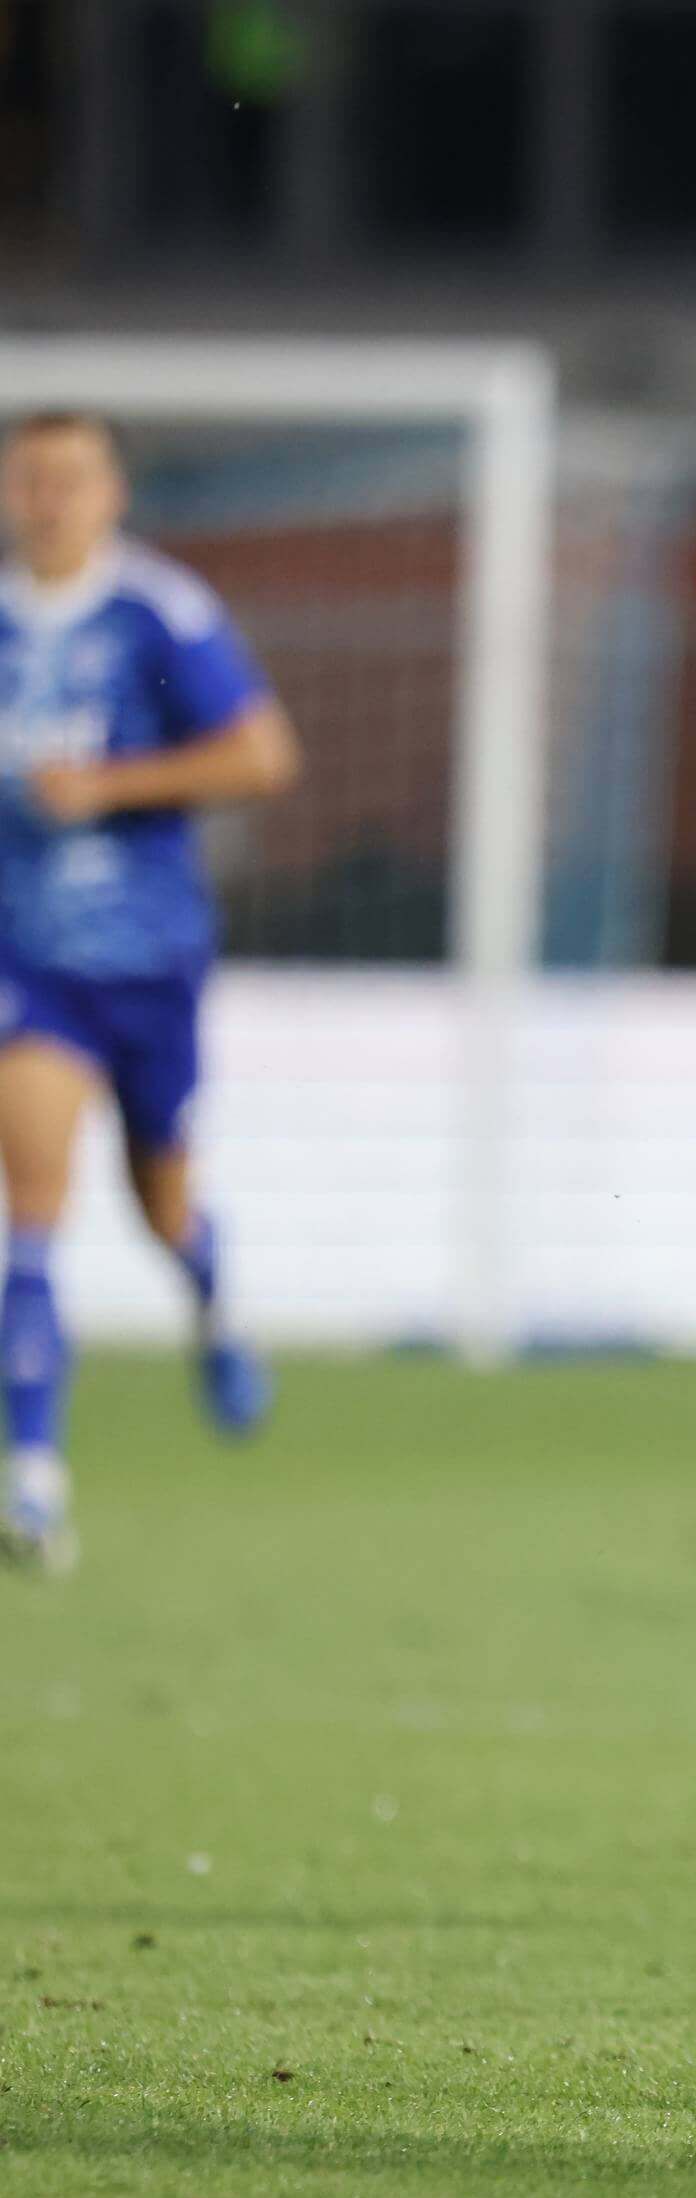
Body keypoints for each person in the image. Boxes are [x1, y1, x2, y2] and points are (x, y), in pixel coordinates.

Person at [0, 412, 298, 1577]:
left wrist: (110, 785)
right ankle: (34, 1480)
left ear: (114, 491)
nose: (50, 497)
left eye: (71, 477)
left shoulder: (158, 615)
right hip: (28, 965)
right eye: (31, 477)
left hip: (152, 961)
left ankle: (216, 1303)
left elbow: (262, 756)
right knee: (33, 1198)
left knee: (161, 1204)